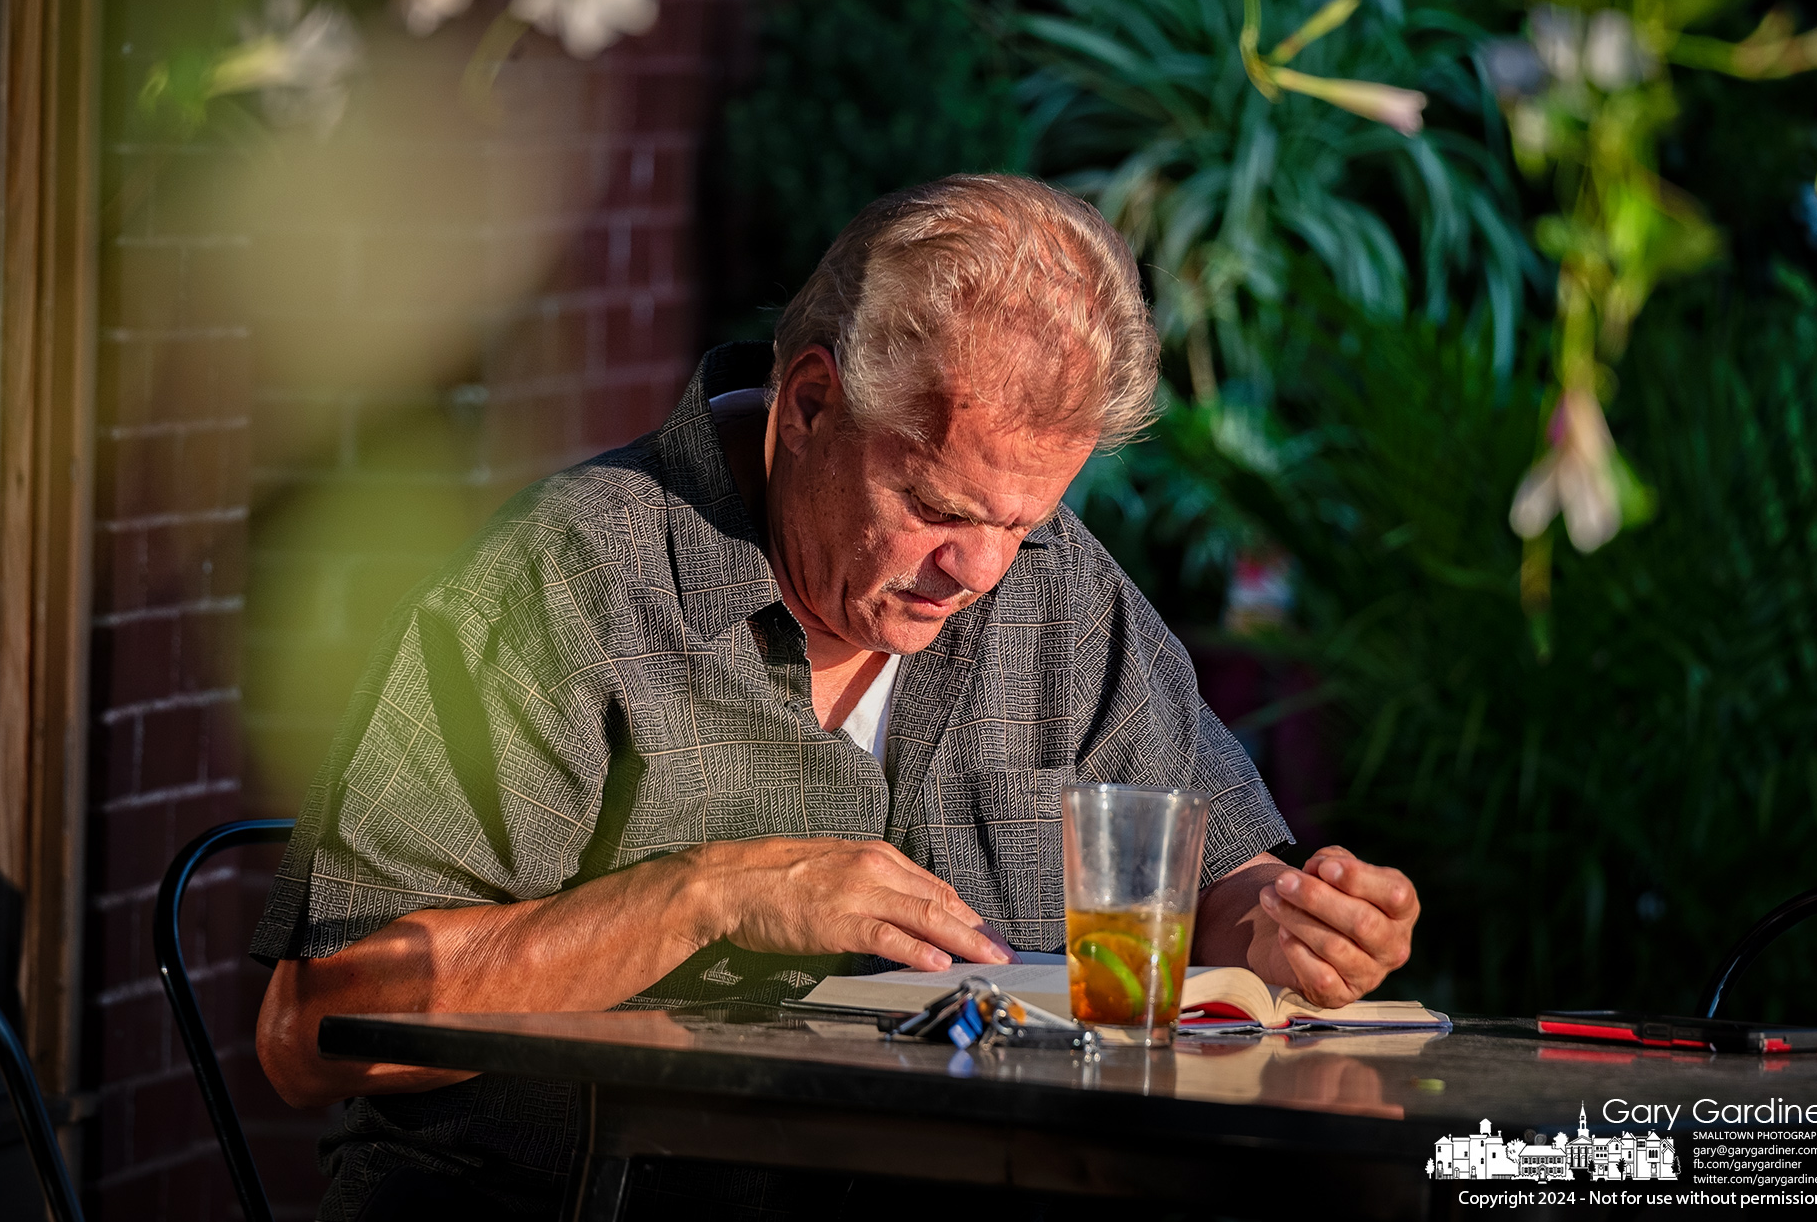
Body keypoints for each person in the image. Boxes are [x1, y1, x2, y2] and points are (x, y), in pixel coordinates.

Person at [251, 174, 1420, 1220]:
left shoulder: (1059, 593)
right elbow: (314, 1030)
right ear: (808, 404)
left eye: (1021, 522)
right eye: (940, 509)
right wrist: (701, 899)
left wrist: (1290, 924)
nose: (982, 573)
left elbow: (1215, 900)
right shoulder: (569, 582)